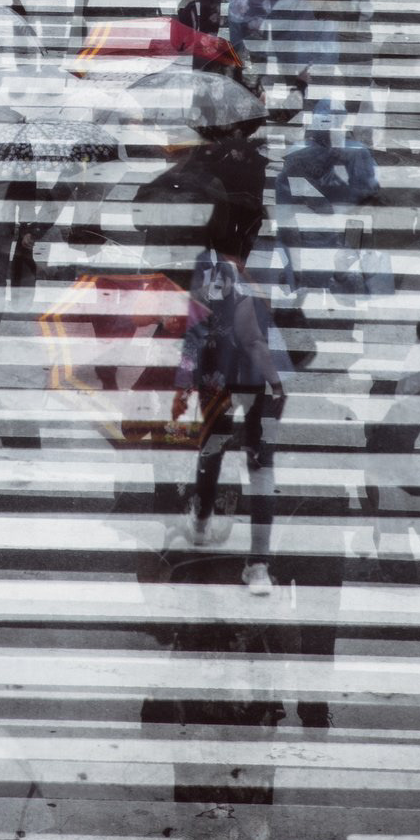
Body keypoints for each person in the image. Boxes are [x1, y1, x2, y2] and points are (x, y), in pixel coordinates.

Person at [172, 237, 288, 595]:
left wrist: (183, 383)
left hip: (217, 377)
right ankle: (258, 566)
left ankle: (203, 523)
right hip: (261, 377)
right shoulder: (270, 254)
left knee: (213, 450)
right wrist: (278, 382)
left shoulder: (206, 262)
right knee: (261, 467)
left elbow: (193, 326)